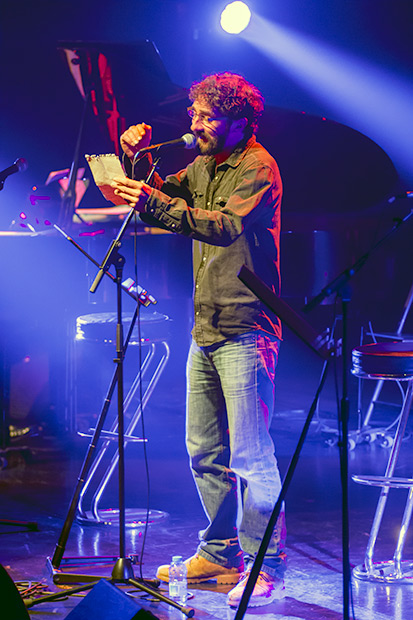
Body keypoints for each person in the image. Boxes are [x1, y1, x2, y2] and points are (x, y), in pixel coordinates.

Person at [111, 72, 286, 608]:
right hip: (206, 325)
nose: (196, 125)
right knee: (203, 450)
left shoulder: (257, 166)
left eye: (207, 117)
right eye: (195, 115)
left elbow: (222, 225)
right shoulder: (204, 163)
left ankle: (265, 563)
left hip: (245, 326)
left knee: (251, 456)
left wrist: (152, 201)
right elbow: (165, 195)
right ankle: (220, 550)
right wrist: (131, 158)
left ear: (240, 121)